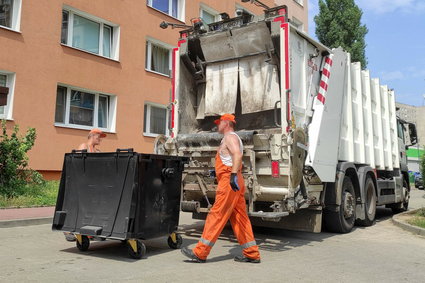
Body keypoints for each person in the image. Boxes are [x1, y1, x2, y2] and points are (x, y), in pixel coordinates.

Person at [181, 114, 261, 263]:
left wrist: (231, 176)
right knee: (240, 218)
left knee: (217, 214)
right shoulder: (230, 138)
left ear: (226, 123)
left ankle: (200, 252)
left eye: (219, 123)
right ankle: (251, 253)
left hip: (230, 181)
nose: (217, 125)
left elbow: (237, 155)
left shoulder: (230, 137)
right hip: (235, 180)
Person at [64, 128, 107, 242]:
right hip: (81, 183)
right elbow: (78, 165)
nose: (100, 139)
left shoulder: (97, 151)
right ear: (92, 135)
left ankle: (89, 232)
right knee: (77, 206)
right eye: (99, 136)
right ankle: (68, 230)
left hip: (92, 185)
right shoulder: (83, 146)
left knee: (92, 207)